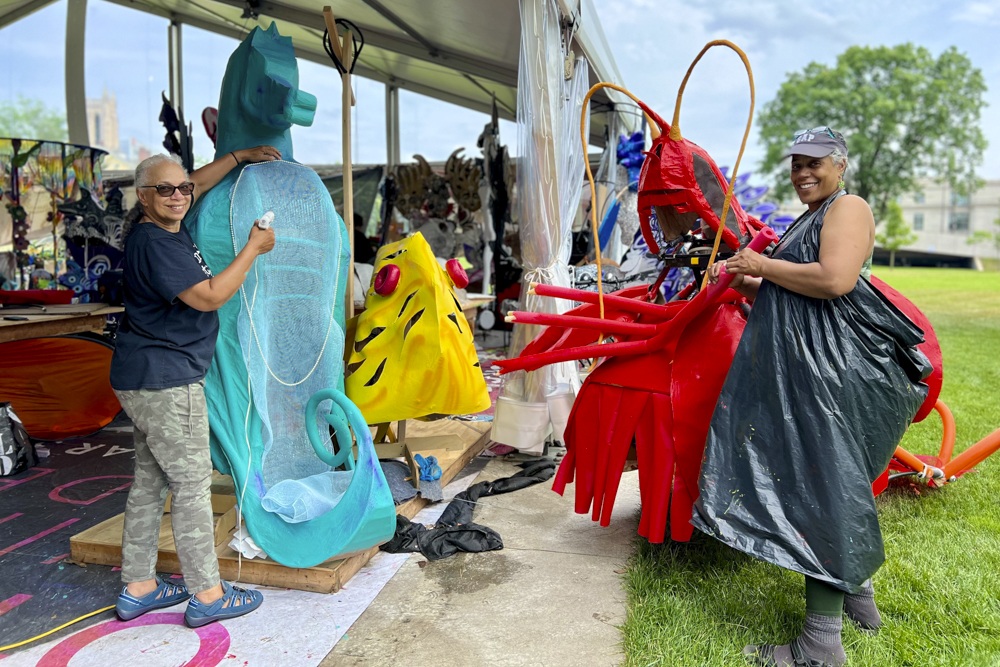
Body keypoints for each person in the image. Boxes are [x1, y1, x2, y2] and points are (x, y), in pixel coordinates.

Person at [696, 127, 930, 666]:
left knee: (823, 493)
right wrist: (742, 279)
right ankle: (857, 598)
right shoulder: (813, 215)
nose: (803, 171)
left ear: (840, 165)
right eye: (796, 162)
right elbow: (796, 289)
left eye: (815, 162)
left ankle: (820, 648)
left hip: (837, 377)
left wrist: (761, 264)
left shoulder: (848, 208)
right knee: (834, 485)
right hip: (819, 369)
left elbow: (834, 280)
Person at [110, 146, 279, 628]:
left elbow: (197, 182)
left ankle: (139, 584)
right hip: (167, 380)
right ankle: (207, 594)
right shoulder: (159, 244)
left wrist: (238, 155)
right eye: (165, 190)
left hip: (140, 376)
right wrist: (252, 249)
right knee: (190, 484)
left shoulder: (155, 224)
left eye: (182, 187)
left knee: (150, 481)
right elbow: (208, 298)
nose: (179, 196)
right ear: (144, 196)